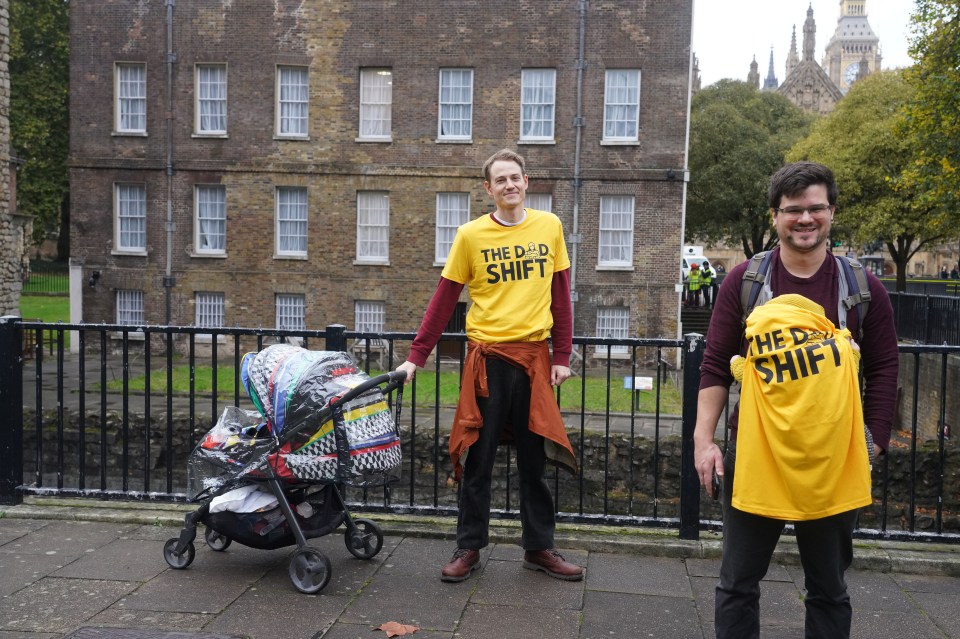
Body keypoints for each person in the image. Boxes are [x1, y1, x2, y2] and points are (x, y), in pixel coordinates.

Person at [693, 161, 899, 638]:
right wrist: (704, 441)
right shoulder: (744, 282)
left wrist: (873, 441)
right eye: (793, 210)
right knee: (738, 584)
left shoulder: (863, 290)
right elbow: (716, 363)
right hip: (756, 453)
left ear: (831, 212)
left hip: (832, 458)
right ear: (775, 216)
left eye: (816, 208)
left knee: (828, 587)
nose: (805, 219)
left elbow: (885, 368)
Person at [396, 149, 582, 584]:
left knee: (535, 464)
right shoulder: (470, 236)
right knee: (477, 460)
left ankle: (538, 547)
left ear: (526, 182)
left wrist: (561, 356)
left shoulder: (550, 227)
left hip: (534, 361)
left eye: (515, 178)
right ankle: (469, 547)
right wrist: (415, 358)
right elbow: (444, 301)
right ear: (489, 189)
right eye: (500, 180)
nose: (509, 186)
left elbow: (561, 296)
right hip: (486, 361)